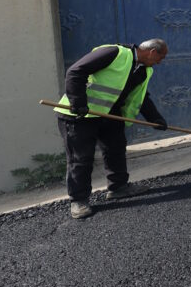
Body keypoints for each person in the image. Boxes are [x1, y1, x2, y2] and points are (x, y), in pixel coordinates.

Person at [54, 39, 169, 218]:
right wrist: (78, 102)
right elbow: (75, 72)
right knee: (81, 158)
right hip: (79, 115)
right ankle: (78, 201)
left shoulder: (144, 71)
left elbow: (141, 97)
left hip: (109, 114)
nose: (160, 62)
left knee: (115, 149)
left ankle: (118, 187)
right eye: (160, 58)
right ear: (152, 52)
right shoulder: (114, 53)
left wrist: (155, 118)